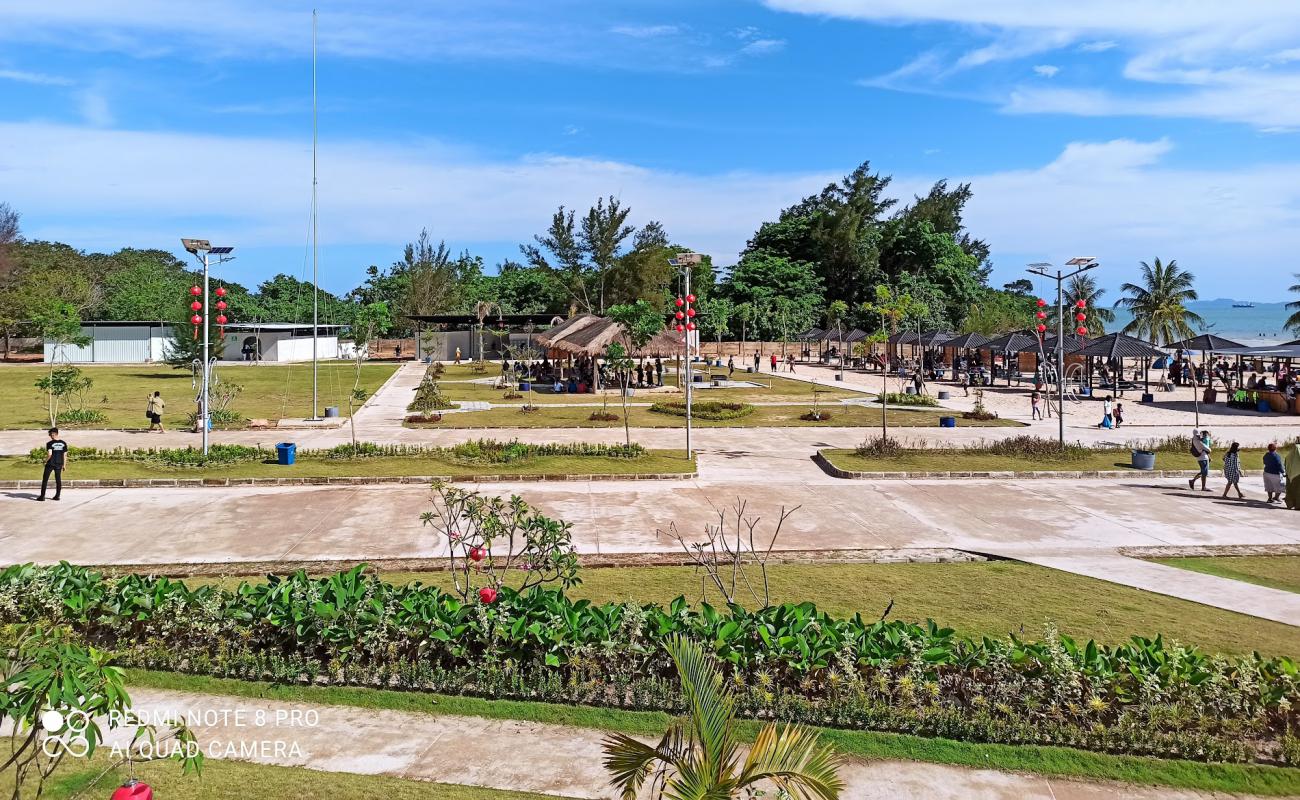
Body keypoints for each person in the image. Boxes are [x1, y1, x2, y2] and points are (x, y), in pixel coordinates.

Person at [38, 427, 68, 502]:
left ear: (54, 434)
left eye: (50, 434)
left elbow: (50, 454)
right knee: (58, 480)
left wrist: (45, 461)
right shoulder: (63, 443)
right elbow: (64, 455)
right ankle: (57, 496)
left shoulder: (49, 443)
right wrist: (64, 465)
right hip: (59, 464)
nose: (50, 436)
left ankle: (42, 496)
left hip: (50, 464)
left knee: (45, 480)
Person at [1286, 443, 1300, 510]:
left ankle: (1290, 504)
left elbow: (1285, 464)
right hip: (1298, 474)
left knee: (1290, 489)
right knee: (1298, 491)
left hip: (1290, 475)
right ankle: (1298, 505)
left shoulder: (1289, 455)